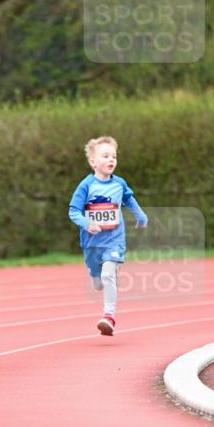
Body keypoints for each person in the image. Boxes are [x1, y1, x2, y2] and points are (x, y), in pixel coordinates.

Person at [68, 135, 148, 335]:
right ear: (93, 162)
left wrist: (141, 216)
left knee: (108, 274)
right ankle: (97, 273)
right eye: (105, 156)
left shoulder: (119, 184)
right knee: (97, 283)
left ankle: (108, 316)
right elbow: (73, 211)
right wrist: (87, 223)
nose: (111, 160)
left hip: (114, 239)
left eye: (113, 156)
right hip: (92, 242)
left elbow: (129, 200)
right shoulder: (86, 185)